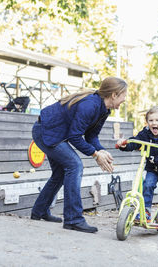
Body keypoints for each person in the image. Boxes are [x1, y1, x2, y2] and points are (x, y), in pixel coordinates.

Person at [31, 77, 127, 233]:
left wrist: (101, 151)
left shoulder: (103, 110)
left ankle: (39, 211)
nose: (124, 100)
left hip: (55, 133)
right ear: (114, 94)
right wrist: (95, 155)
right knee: (74, 166)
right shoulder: (90, 105)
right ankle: (73, 219)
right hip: (46, 131)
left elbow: (91, 137)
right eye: (124, 96)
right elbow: (74, 137)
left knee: (60, 173)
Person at [116, 106, 158, 238]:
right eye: (151, 120)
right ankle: (146, 212)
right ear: (147, 122)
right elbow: (134, 143)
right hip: (153, 167)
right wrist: (124, 145)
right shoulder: (145, 134)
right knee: (147, 185)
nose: (154, 123)